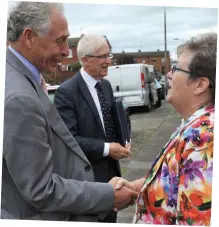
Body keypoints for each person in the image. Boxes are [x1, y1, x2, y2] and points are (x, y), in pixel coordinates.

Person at [2, 2, 138, 221]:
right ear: (29, 37)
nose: (66, 51)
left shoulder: (25, 80)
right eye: (60, 41)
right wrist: (106, 195)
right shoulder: (20, 98)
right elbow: (40, 188)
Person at [114, 32, 216, 225]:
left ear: (200, 84)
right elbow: (175, 178)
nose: (168, 74)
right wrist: (137, 187)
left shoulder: (205, 136)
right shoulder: (194, 124)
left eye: (176, 68)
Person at [54, 34, 131, 223]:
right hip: (87, 181)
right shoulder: (67, 92)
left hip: (112, 175)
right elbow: (69, 140)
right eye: (103, 56)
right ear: (85, 60)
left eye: (109, 55)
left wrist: (124, 141)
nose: (108, 61)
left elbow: (110, 124)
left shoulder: (106, 86)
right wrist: (108, 149)